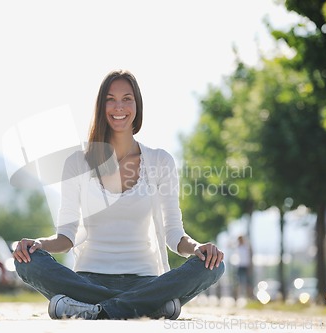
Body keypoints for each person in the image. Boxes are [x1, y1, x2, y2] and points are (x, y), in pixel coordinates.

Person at [13, 69, 225, 320]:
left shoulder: (160, 161)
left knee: (214, 265)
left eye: (127, 98)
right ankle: (148, 307)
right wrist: (38, 244)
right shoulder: (77, 163)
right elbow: (66, 237)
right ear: (101, 106)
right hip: (87, 280)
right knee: (26, 259)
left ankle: (94, 309)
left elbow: (174, 235)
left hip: (146, 282)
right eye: (110, 99)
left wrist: (199, 248)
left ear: (137, 105)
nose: (119, 107)